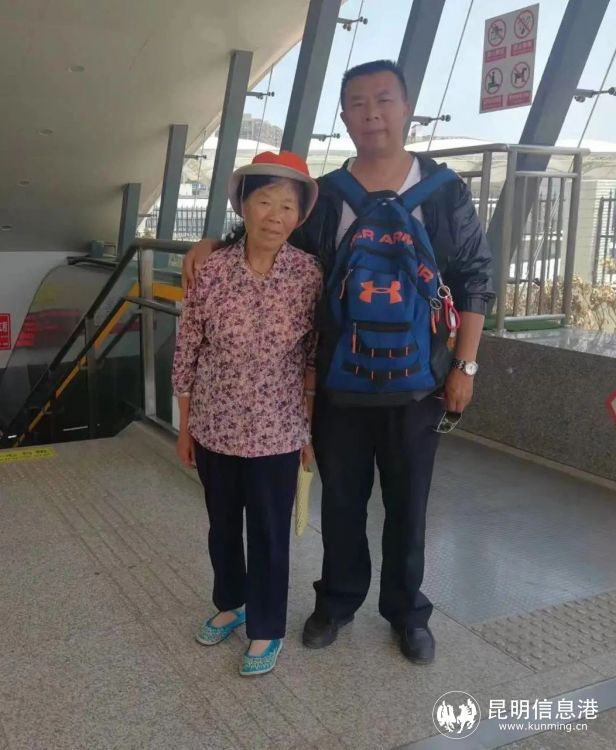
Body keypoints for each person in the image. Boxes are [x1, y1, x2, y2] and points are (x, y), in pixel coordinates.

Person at [182, 60, 494, 664]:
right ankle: (338, 601)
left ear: (407, 108)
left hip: (419, 382)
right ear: (345, 116)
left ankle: (407, 612)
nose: (371, 113)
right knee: (343, 502)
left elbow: (476, 278)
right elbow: (272, 241)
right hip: (337, 382)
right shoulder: (325, 195)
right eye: (357, 103)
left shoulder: (444, 190)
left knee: (409, 505)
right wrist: (214, 243)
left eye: (383, 99)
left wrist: (466, 367)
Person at [172, 150, 322, 676]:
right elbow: (187, 349)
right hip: (214, 425)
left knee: (269, 533)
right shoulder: (210, 270)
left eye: (287, 206)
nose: (275, 216)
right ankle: (230, 603)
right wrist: (185, 428)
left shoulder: (309, 275)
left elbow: (311, 359)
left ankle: (267, 627)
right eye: (264, 201)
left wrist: (307, 431)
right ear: (243, 205)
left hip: (277, 432)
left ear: (299, 215)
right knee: (221, 526)